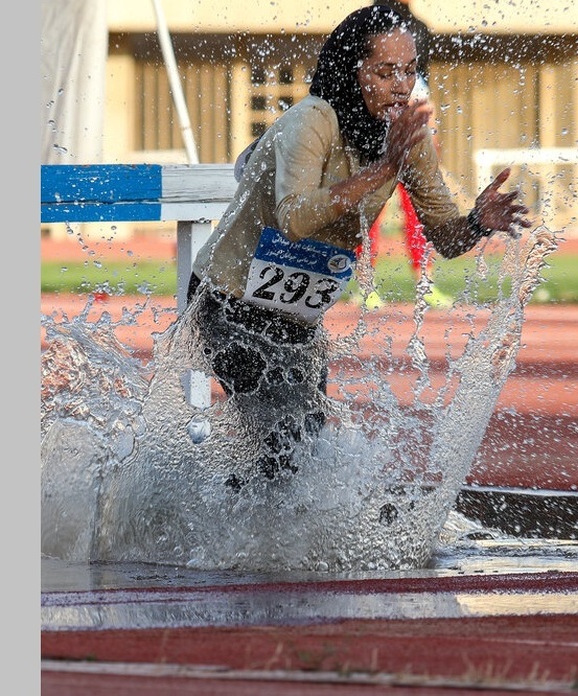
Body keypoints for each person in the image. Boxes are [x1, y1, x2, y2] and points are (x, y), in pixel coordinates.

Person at [184, 4, 531, 486]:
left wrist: (477, 221)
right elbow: (295, 220)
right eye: (385, 71)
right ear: (352, 71)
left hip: (294, 312)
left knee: (304, 443)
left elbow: (445, 237)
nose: (401, 85)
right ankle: (216, 532)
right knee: (283, 448)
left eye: (409, 71)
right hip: (225, 300)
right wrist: (385, 168)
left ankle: (224, 520)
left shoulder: (405, 139)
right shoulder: (313, 120)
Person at [359, 0, 447, 309]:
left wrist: (429, 134)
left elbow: (423, 88)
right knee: (370, 212)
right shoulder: (366, 25)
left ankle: (425, 280)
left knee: (419, 212)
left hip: (411, 135)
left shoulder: (420, 29)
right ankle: (365, 285)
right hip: (376, 138)